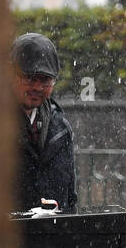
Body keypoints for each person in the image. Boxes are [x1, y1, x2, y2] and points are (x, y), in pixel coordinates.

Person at [12, 32, 78, 213]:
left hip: (54, 237)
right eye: (30, 78)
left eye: (46, 81)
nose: (37, 88)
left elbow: (70, 198)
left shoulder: (60, 129)